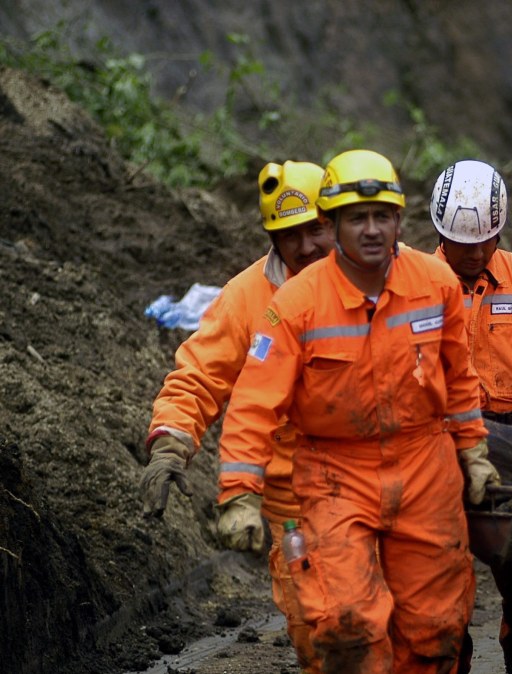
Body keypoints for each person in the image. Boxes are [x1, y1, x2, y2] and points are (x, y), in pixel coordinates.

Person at [215, 149, 499, 674]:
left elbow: (459, 378)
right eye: (356, 218)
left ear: (398, 220)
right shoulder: (296, 304)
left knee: (434, 632)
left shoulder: (434, 286)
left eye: (381, 216)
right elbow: (254, 402)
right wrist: (238, 492)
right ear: (333, 223)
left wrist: (474, 451)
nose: (371, 230)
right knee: (347, 627)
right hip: (334, 476)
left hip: (424, 468)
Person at [140, 159, 333, 672]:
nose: (308, 245)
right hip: (293, 496)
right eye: (293, 234)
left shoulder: (379, 281)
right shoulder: (246, 298)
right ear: (273, 237)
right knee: (317, 631)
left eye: (318, 228)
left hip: (383, 480)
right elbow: (199, 375)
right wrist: (171, 442)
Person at [429, 159, 512, 674]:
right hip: (439, 442)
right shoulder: (414, 282)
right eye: (463, 243)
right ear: (440, 233)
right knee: (437, 571)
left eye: (487, 240)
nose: (477, 252)